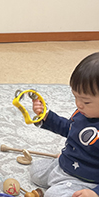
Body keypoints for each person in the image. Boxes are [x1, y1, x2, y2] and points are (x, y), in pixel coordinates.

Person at [30, 52, 99, 197]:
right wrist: (46, 116)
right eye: (75, 97)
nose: (78, 104)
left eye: (86, 101)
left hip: (85, 180)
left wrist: (95, 193)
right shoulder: (84, 112)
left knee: (52, 194)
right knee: (35, 171)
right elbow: (69, 129)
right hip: (66, 163)